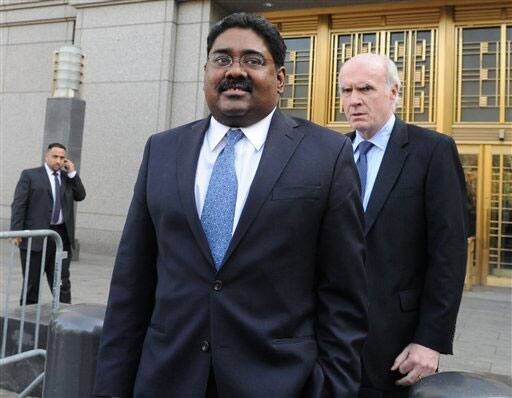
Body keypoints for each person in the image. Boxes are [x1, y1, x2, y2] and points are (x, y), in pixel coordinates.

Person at [94, 12, 368, 398]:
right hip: (167, 378)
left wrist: (333, 389)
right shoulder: (162, 150)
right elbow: (131, 285)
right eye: (222, 59)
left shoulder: (327, 154)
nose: (234, 70)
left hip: (278, 382)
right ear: (206, 71)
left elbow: (344, 295)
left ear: (281, 78)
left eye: (253, 60)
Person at [338, 53, 468, 397]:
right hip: (332, 340)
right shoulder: (332, 152)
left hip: (397, 343)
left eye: (365, 88)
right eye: (346, 90)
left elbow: (449, 253)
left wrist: (430, 340)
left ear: (394, 92)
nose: (354, 100)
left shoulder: (432, 151)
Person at [11, 142, 86, 304]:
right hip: (36, 237)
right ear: (47, 156)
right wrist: (17, 231)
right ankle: (28, 322)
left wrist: (73, 173)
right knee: (32, 284)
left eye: (62, 157)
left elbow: (80, 195)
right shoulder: (30, 175)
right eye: (55, 156)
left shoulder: (67, 178)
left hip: (60, 238)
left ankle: (65, 321)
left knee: (62, 282)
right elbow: (19, 204)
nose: (58, 161)